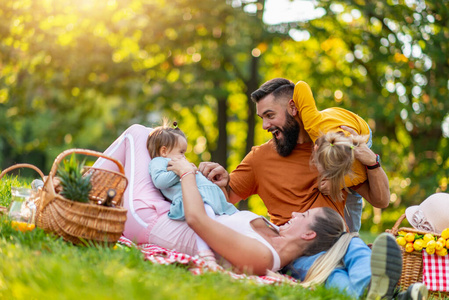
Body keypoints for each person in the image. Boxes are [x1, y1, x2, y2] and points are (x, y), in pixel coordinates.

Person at [92, 124, 425, 299]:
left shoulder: (262, 255)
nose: (295, 214)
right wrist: (207, 177)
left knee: (138, 133)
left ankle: (70, 195)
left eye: (303, 217)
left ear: (307, 233)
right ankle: (377, 292)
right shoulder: (271, 229)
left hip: (160, 219)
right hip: (181, 205)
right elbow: (220, 201)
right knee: (145, 135)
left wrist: (186, 172)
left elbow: (197, 219)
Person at [199, 78, 390, 230]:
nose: (265, 126)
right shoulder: (260, 158)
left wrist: (372, 161)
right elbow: (225, 200)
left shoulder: (332, 149)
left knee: (355, 258)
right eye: (262, 118)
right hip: (292, 251)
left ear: (293, 108)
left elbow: (380, 200)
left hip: (335, 245)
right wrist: (220, 180)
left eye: (270, 115)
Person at [147, 121, 238, 262]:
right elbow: (159, 181)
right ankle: (204, 250)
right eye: (181, 152)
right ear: (164, 151)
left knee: (232, 216)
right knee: (205, 213)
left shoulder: (176, 161)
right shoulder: (159, 162)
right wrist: (182, 171)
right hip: (193, 199)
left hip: (205, 193)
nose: (184, 156)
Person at [293, 80, 376, 232]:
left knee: (352, 196)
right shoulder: (312, 122)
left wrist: (336, 184)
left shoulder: (357, 169)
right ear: (316, 147)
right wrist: (293, 106)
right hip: (338, 120)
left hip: (362, 133)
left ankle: (353, 234)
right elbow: (301, 85)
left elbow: (358, 179)